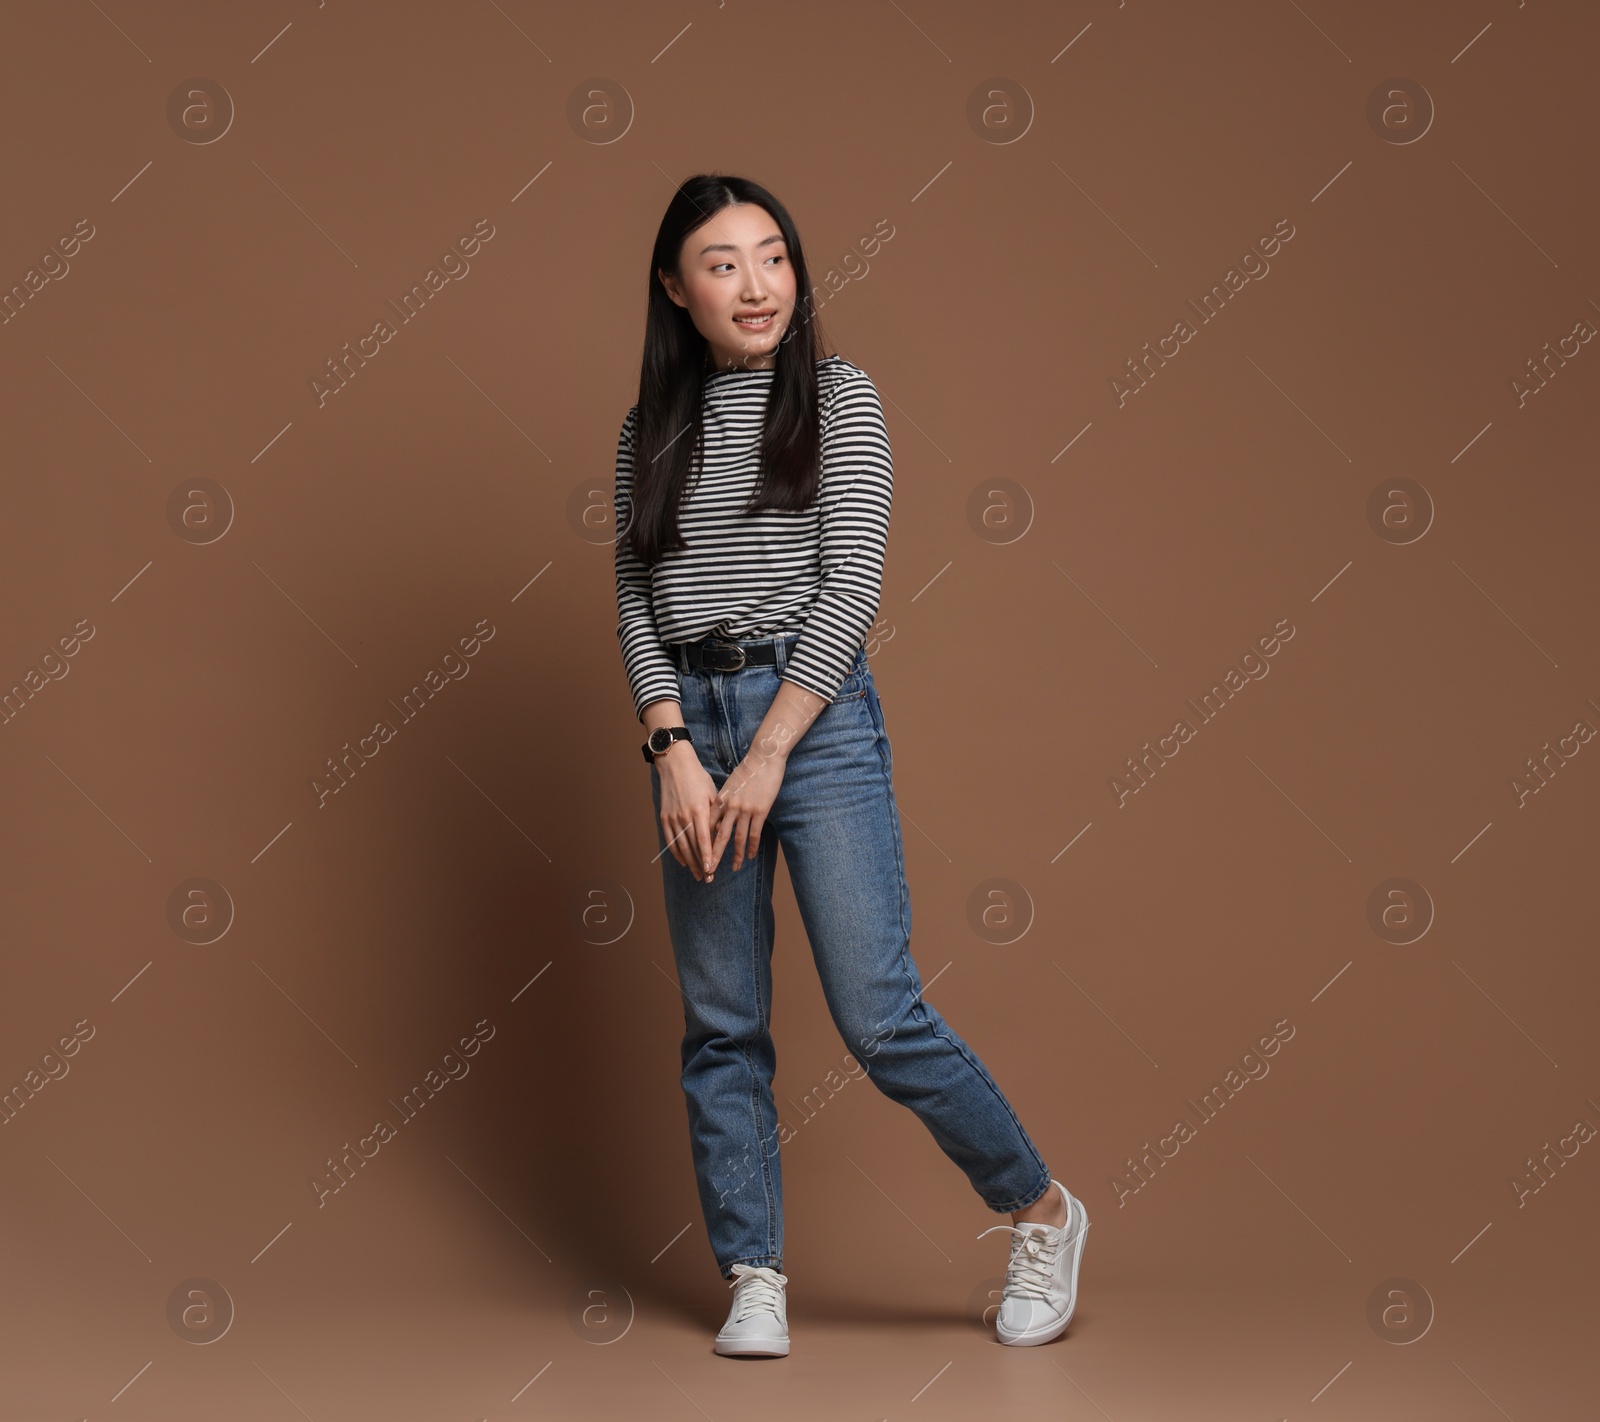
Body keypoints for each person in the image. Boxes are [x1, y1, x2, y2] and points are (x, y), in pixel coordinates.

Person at [611, 173, 1088, 1358]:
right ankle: (755, 1275)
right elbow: (633, 589)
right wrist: (670, 745)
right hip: (693, 721)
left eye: (771, 256)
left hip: (810, 723)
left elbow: (851, 583)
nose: (756, 284)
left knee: (877, 1015)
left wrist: (768, 750)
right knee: (722, 1025)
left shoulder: (839, 399)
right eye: (722, 263)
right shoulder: (648, 430)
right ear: (676, 289)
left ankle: (1040, 1211)